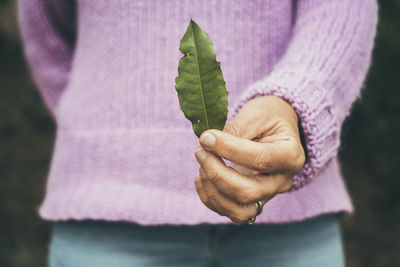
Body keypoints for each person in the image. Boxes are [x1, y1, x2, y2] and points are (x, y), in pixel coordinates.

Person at [17, 0, 378, 266]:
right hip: (102, 222)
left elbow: (342, 10)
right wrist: (100, 138)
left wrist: (296, 105)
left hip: (291, 226)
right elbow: (46, 32)